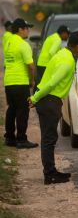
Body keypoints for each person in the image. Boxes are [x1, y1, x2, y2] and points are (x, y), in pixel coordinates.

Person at [28, 31, 78, 185]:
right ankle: (49, 174)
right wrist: (35, 98)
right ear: (77, 46)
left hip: (47, 100)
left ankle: (50, 172)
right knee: (49, 140)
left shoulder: (62, 54)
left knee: (48, 138)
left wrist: (37, 96)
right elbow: (51, 83)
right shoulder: (67, 62)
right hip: (50, 100)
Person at [3, 18, 38, 149]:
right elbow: (30, 66)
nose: (28, 30)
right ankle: (22, 139)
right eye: (26, 28)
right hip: (20, 82)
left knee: (11, 109)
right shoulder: (24, 45)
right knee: (22, 111)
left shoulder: (9, 42)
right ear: (20, 30)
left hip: (9, 82)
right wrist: (32, 80)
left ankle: (10, 138)